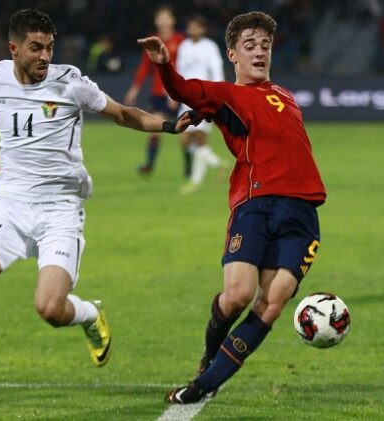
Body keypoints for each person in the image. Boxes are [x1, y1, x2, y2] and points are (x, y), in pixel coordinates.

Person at [0, 9, 195, 400]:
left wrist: (166, 125)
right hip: (9, 204)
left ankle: (89, 314)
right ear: (14, 49)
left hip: (60, 209)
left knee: (49, 308)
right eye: (35, 48)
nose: (45, 56)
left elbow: (122, 113)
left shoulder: (70, 83)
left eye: (49, 47)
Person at [138, 11, 327, 404]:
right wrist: (164, 66)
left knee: (272, 305)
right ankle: (210, 354)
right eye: (250, 45)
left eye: (265, 46)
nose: (259, 52)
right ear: (233, 54)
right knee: (237, 296)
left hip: (302, 215)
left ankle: (202, 386)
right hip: (255, 205)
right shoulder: (227, 95)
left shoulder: (287, 96)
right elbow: (185, 90)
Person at [123, 5, 186, 177]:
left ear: (172, 20)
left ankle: (189, 171)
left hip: (179, 92)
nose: (163, 21)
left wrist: (176, 89)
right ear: (156, 21)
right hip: (158, 93)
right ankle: (149, 166)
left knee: (187, 133)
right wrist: (134, 89)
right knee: (156, 127)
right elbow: (144, 67)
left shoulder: (181, 40)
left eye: (166, 17)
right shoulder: (152, 41)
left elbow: (185, 66)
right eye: (160, 18)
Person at [175, 14, 227, 194]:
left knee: (200, 138)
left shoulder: (210, 47)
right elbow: (179, 70)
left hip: (204, 97)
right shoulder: (184, 46)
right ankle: (218, 164)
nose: (193, 30)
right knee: (183, 138)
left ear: (203, 29)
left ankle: (194, 182)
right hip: (186, 98)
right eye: (190, 26)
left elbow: (216, 70)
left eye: (196, 26)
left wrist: (218, 93)